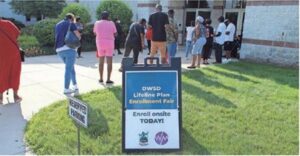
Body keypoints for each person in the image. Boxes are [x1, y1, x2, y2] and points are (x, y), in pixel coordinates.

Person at [55, 13, 81, 94]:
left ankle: (75, 85)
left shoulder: (58, 24)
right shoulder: (71, 23)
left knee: (71, 68)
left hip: (59, 49)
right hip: (69, 48)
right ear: (72, 18)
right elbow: (78, 36)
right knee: (68, 69)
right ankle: (66, 88)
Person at [0, 17, 22, 104]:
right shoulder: (8, 23)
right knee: (15, 73)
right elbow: (17, 34)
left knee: (1, 74)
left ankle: (0, 98)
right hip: (13, 53)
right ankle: (15, 96)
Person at [94, 11, 117, 84]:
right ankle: (108, 79)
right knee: (109, 62)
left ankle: (101, 78)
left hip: (100, 43)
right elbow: (115, 33)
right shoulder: (111, 23)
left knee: (101, 61)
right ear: (108, 16)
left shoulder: (97, 23)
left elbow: (95, 33)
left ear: (101, 16)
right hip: (110, 43)